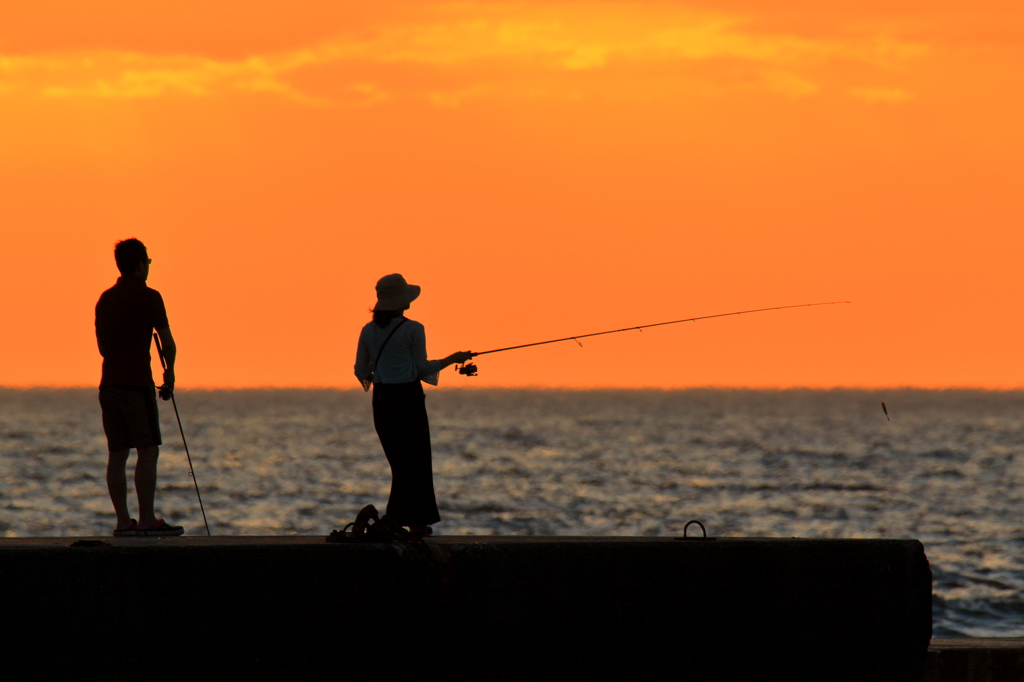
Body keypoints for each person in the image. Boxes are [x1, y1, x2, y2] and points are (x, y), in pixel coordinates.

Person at [354, 274, 473, 537]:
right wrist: (453, 358)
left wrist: (381, 377)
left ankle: (402, 520)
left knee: (399, 463)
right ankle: (407, 522)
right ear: (403, 301)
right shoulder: (413, 329)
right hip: (407, 400)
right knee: (416, 461)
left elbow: (360, 370)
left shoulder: (368, 330)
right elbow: (422, 369)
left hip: (382, 400)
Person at [95, 238, 184, 537]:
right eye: (148, 261)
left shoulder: (105, 300)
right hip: (137, 385)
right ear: (141, 264)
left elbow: (103, 348)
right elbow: (167, 343)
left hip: (109, 386)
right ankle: (146, 518)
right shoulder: (150, 297)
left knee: (117, 453)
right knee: (147, 450)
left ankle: (123, 522)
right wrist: (169, 374)